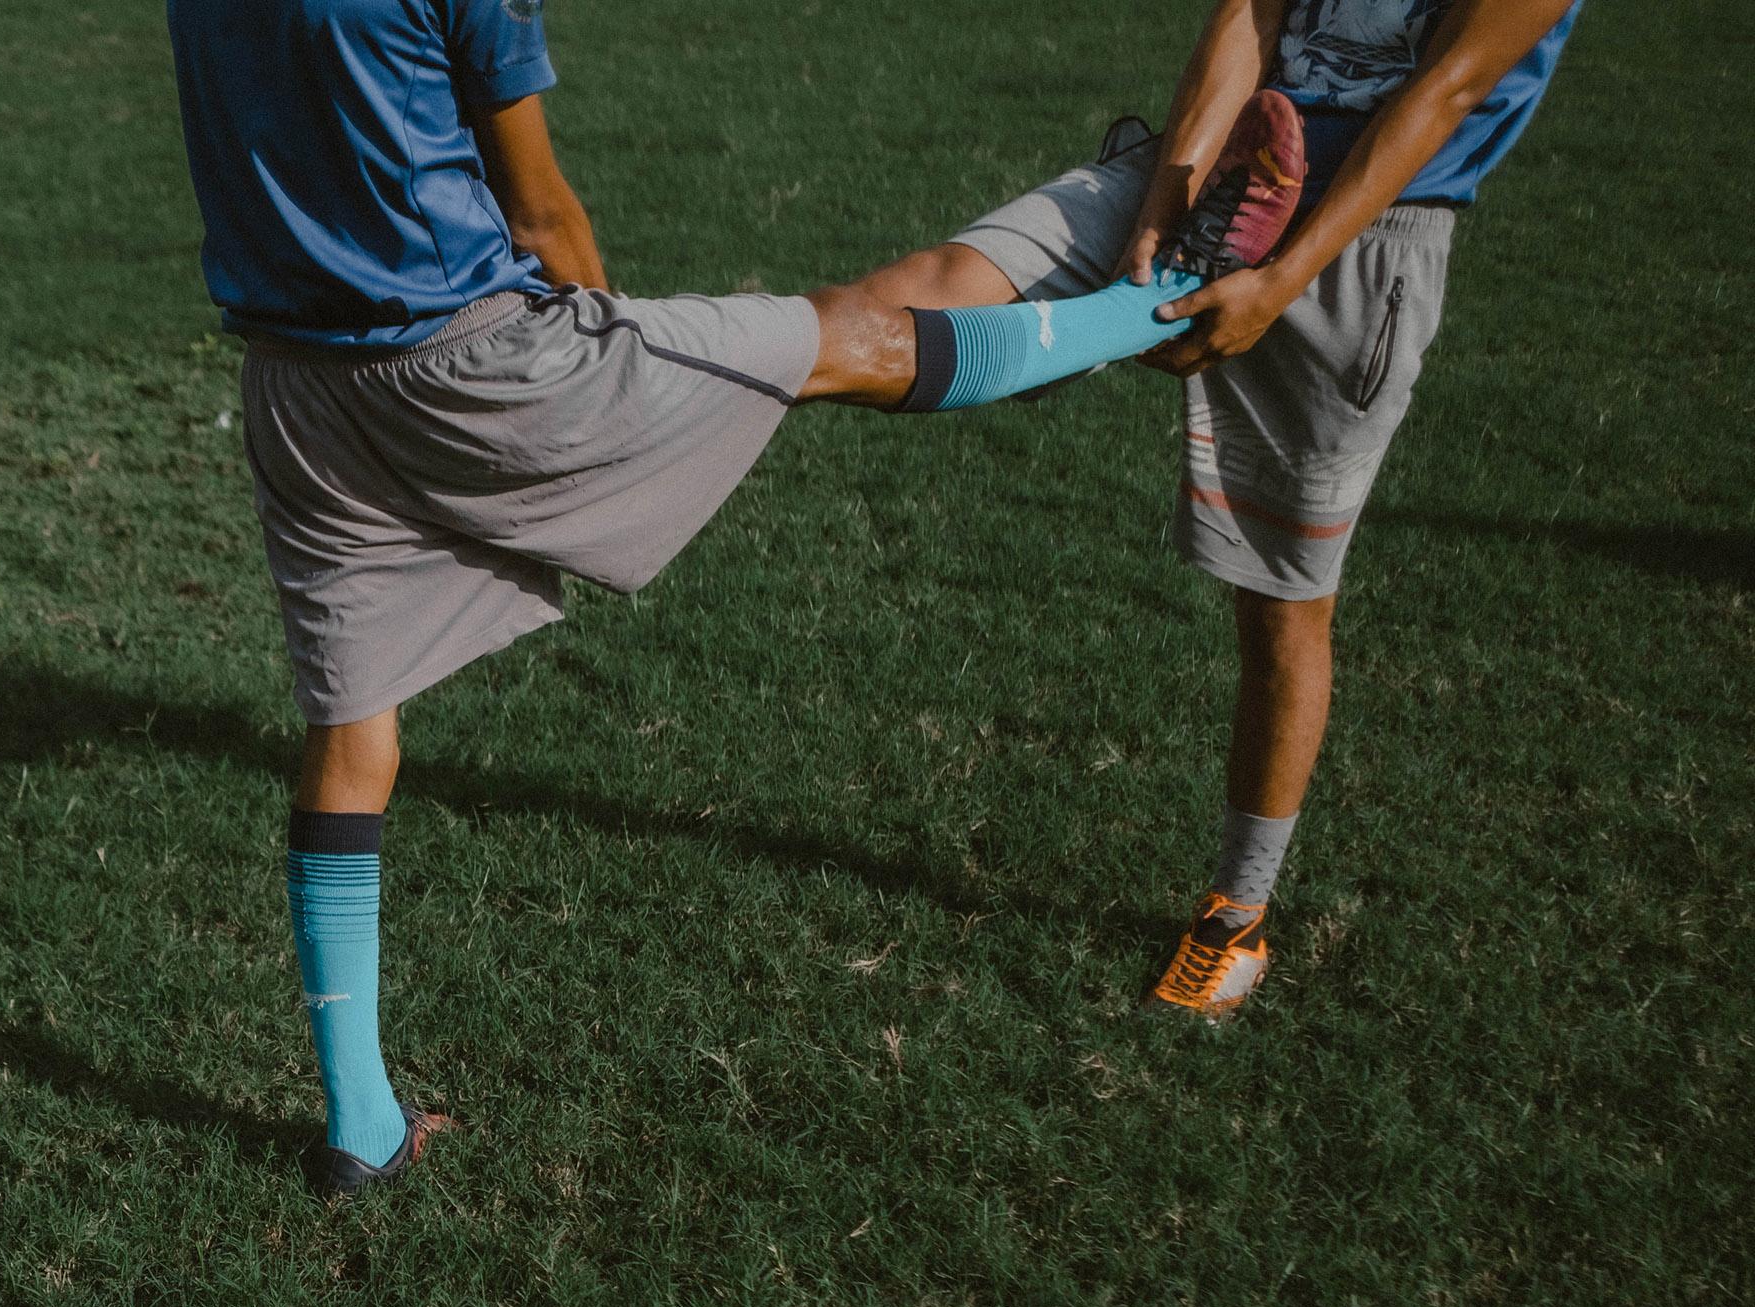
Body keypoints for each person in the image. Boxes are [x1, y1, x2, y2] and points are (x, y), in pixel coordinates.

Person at [166, 0, 1301, 1191]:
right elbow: (542, 209)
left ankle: (360, 1128)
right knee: (850, 339)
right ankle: (1166, 294)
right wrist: (607, 351)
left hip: (297, 387)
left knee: (352, 722)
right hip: (480, 367)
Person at [856, 0, 1585, 1018]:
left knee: (1282, 599)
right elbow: (1252, 8)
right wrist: (1162, 198)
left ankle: (1236, 916)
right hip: (1220, 170)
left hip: (1360, 241)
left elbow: (1449, 89)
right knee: (933, 293)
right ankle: (718, 358)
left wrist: (1284, 278)